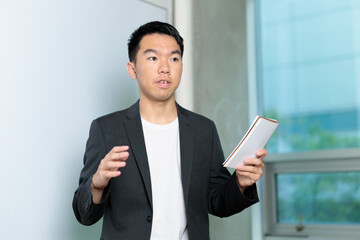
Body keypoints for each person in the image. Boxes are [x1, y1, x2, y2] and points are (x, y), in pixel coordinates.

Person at [72, 21, 266, 240]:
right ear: (132, 69)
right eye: (153, 58)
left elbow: (217, 202)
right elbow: (84, 214)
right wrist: (97, 183)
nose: (165, 68)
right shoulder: (106, 129)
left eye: (174, 58)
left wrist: (240, 183)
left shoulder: (204, 129)